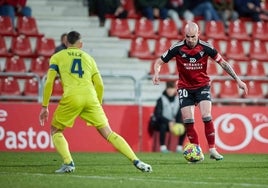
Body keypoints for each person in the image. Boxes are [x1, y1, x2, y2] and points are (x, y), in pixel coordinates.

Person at [39, 31, 152, 173]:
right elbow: (99, 84)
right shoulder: (89, 58)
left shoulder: (57, 57)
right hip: (91, 97)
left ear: (66, 43)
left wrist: (45, 106)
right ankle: (137, 161)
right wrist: (97, 103)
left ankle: (68, 162)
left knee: (55, 130)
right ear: (81, 44)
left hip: (72, 96)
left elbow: (49, 81)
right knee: (109, 133)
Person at [152, 22, 248, 161]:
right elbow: (159, 62)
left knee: (206, 116)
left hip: (202, 86)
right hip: (185, 87)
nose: (190, 40)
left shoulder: (206, 47)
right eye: (187, 37)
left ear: (198, 34)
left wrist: (238, 80)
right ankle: (197, 151)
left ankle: (213, 149)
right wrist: (156, 73)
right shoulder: (177, 47)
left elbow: (223, 63)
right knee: (188, 120)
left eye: (192, 37)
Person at [153, 81, 186, 153]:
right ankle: (163, 147)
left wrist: (178, 123)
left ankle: (179, 147)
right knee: (163, 126)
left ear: (175, 89)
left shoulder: (178, 100)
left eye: (172, 88)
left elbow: (179, 114)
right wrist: (168, 122)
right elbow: (158, 115)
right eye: (169, 88)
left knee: (184, 126)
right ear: (166, 89)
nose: (170, 90)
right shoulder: (161, 99)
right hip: (161, 123)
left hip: (173, 123)